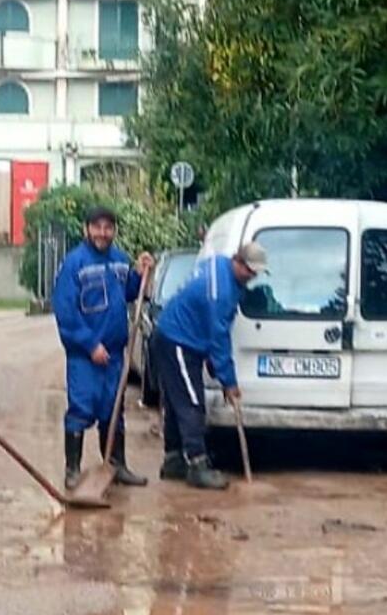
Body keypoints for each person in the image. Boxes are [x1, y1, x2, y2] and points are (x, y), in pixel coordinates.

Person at [151, 242, 269, 490]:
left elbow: (205, 320)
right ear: (238, 261)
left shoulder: (218, 264)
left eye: (256, 272)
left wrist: (211, 359)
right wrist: (229, 381)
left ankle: (174, 461)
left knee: (176, 402)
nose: (253, 276)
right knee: (192, 403)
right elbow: (219, 336)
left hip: (178, 336)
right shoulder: (222, 292)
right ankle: (197, 465)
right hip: (178, 340)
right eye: (250, 270)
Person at [51, 205, 152, 490]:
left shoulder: (119, 260)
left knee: (113, 410)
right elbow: (66, 313)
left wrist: (143, 271)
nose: (102, 233)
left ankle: (116, 466)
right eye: (97, 227)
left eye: (108, 228)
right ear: (86, 229)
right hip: (85, 357)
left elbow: (133, 291)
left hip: (115, 355)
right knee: (82, 410)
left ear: (114, 231)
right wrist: (90, 345)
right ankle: (72, 470)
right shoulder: (74, 264)